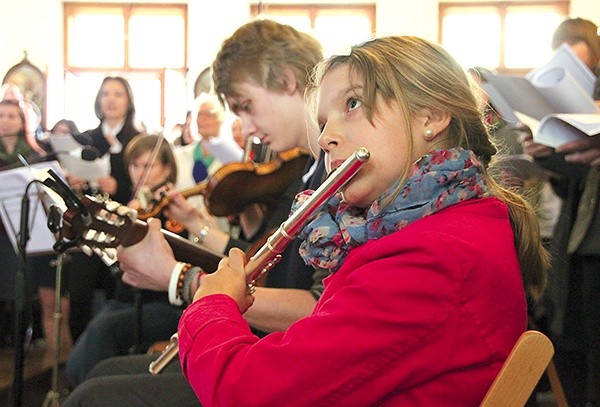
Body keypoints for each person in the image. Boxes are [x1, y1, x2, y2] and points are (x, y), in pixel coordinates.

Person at [140, 35, 547, 406]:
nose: (325, 139)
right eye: (322, 122)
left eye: (352, 104)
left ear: (432, 115)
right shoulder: (440, 229)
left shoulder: (431, 258)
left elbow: (246, 392)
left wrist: (212, 306)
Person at [62, 19, 325, 406]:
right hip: (268, 341)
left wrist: (177, 278)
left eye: (247, 107)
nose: (248, 129)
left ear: (288, 81)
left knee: (95, 396)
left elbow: (315, 307)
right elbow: (262, 267)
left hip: (291, 364)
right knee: (101, 375)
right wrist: (194, 227)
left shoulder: (328, 176)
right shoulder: (307, 171)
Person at [519, 17, 600, 406]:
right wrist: (550, 154)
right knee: (574, 344)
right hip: (579, 239)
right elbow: (577, 182)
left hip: (591, 240)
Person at [64, 133, 186, 386]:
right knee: (80, 355)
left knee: (102, 334)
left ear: (167, 168)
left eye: (148, 165)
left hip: (163, 305)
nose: (140, 172)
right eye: (135, 165)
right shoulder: (130, 205)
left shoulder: (175, 208)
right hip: (125, 299)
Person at [65, 76, 141, 341]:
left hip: (123, 230)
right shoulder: (85, 139)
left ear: (128, 101)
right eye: (105, 93)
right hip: (88, 228)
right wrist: (75, 181)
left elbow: (143, 185)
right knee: (79, 297)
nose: (110, 99)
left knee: (117, 295)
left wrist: (117, 186)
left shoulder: (137, 139)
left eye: (118, 94)